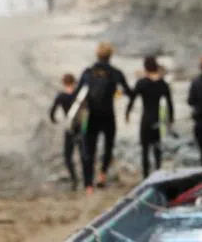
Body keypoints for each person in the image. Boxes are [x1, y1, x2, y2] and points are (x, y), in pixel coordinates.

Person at [73, 42, 132, 194]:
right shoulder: (116, 73)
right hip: (108, 115)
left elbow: (77, 95)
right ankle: (102, 174)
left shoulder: (87, 72)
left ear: (97, 54)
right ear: (110, 56)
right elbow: (129, 92)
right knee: (108, 146)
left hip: (91, 116)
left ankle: (88, 185)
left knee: (89, 150)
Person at [126, 57, 175, 178]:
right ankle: (158, 172)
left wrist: (127, 113)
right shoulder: (163, 84)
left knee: (145, 149)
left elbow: (132, 98)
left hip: (145, 119)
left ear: (145, 68)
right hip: (157, 120)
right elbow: (170, 104)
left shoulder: (141, 83)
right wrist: (171, 119)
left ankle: (146, 176)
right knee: (157, 147)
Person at [49, 73, 82, 189]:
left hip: (69, 127)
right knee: (83, 153)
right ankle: (87, 179)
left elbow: (52, 113)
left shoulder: (61, 96)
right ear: (74, 82)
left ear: (64, 83)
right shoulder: (79, 95)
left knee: (68, 155)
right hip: (80, 126)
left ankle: (74, 179)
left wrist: (55, 120)